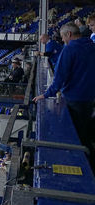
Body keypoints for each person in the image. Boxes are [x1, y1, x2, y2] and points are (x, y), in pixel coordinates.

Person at [33, 22, 95, 172]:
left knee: (78, 136)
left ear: (69, 34)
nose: (62, 40)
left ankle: (84, 169)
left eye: (62, 37)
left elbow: (60, 77)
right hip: (90, 98)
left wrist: (46, 94)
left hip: (75, 99)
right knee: (87, 134)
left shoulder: (70, 49)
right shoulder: (92, 45)